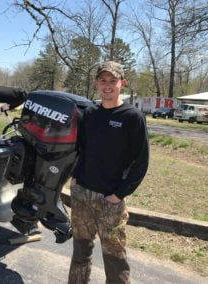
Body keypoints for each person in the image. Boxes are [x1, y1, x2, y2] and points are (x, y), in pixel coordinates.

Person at [68, 61, 149, 284]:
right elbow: (81, 149)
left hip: (110, 201)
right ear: (96, 83)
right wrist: (75, 178)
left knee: (115, 259)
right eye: (103, 81)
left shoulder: (132, 117)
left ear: (122, 83)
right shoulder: (90, 113)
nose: (107, 86)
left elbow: (141, 162)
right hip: (82, 194)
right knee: (80, 253)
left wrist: (119, 194)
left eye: (112, 81)